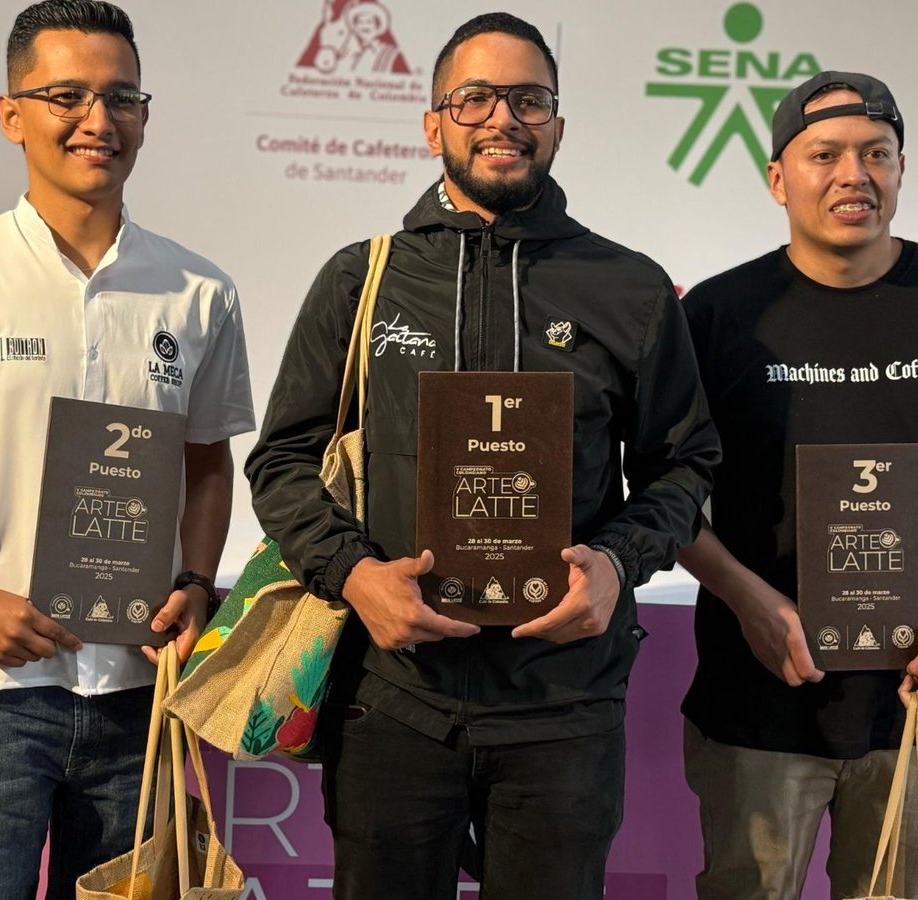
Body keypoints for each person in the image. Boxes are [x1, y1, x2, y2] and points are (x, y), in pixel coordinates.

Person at [245, 13, 719, 899]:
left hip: (564, 705)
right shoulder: (363, 279)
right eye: (474, 98)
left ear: (557, 126)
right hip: (392, 696)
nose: (503, 117)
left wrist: (617, 564)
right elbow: (281, 462)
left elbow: (684, 466)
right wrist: (354, 576)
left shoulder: (631, 288)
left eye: (529, 99)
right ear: (434, 125)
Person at [0, 2, 254, 897]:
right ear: (11, 114)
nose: (98, 119)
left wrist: (193, 581)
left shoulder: (198, 292)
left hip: (138, 692)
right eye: (67, 96)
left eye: (122, 97)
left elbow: (208, 461)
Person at [676, 71, 918, 899]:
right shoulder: (716, 315)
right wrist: (747, 599)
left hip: (917, 703)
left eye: (876, 153)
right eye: (825, 155)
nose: (855, 174)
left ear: (901, 168)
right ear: (778, 177)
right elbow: (664, 496)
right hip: (759, 703)